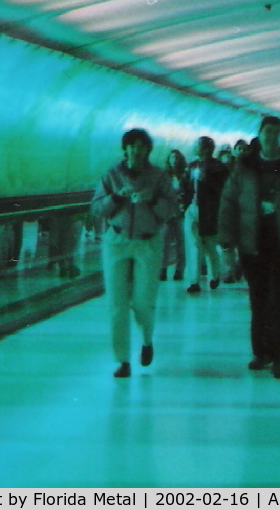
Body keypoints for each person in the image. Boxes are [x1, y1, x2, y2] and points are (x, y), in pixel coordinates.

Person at [218, 115, 280, 379]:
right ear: (260, 134)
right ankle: (260, 352)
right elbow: (229, 203)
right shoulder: (244, 167)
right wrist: (226, 242)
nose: (271, 136)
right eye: (267, 131)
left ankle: (278, 356)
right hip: (252, 243)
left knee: (279, 301)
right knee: (258, 300)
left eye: (276, 132)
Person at [91, 128, 175, 378]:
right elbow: (97, 208)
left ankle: (147, 340)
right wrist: (116, 197)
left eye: (142, 147)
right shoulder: (112, 175)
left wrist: (151, 200)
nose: (137, 151)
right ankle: (123, 360)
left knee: (142, 302)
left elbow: (170, 209)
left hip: (147, 242)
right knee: (116, 304)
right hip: (117, 240)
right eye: (132, 146)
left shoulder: (159, 177)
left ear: (148, 150)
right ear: (125, 148)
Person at [184, 136, 228, 294]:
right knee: (193, 245)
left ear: (207, 148)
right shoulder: (192, 166)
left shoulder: (219, 168)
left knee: (210, 245)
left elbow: (221, 190)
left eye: (198, 145)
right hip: (193, 208)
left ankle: (214, 275)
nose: (195, 147)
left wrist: (207, 180)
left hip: (209, 210)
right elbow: (187, 186)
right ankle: (193, 281)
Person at [160, 149, 191, 282]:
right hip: (167, 212)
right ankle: (162, 269)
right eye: (172, 157)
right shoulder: (163, 175)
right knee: (164, 241)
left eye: (177, 157)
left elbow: (189, 191)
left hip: (181, 211)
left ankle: (179, 269)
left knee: (181, 241)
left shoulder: (185, 174)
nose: (174, 159)